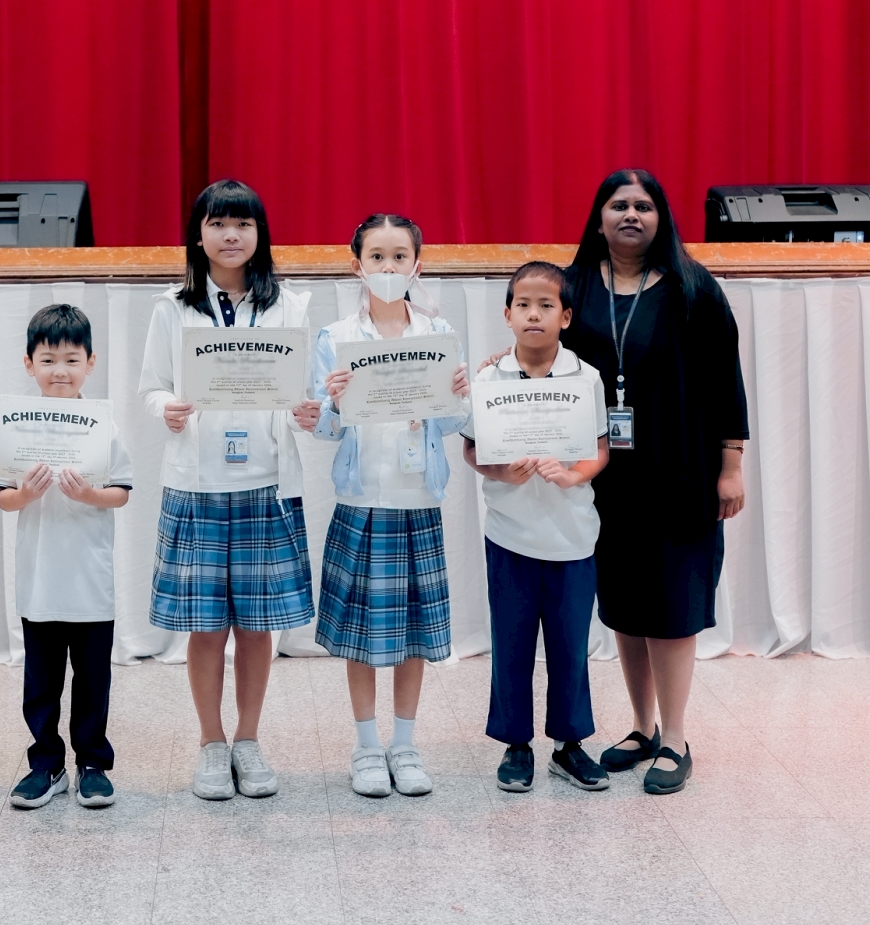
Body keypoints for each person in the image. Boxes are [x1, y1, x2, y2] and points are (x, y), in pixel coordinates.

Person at [563, 170, 747, 795]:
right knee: (625, 604)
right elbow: (543, 358)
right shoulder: (575, 286)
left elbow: (726, 380)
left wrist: (731, 465)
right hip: (605, 477)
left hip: (681, 471)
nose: (631, 215)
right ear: (598, 219)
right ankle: (642, 728)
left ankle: (675, 738)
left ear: (661, 218)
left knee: (672, 606)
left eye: (644, 206)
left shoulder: (694, 288)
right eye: (619, 205)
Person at [140, 179, 322, 801]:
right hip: (196, 484)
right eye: (217, 223)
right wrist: (166, 407)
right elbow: (151, 386)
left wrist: (307, 411)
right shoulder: (173, 307)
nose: (231, 235)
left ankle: (248, 737)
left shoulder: (289, 307)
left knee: (256, 625)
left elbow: (305, 391)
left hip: (267, 483)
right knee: (205, 626)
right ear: (198, 236)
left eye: (243, 223)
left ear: (259, 234)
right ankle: (210, 742)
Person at [310, 214, 469, 798]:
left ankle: (405, 743)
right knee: (360, 633)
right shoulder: (335, 337)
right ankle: (366, 746)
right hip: (361, 500)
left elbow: (451, 424)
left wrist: (457, 397)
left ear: (417, 265)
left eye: (399, 256)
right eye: (376, 257)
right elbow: (323, 428)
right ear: (357, 266)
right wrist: (330, 404)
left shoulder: (437, 333)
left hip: (416, 499)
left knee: (414, 632)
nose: (388, 267)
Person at [460, 262, 612, 794]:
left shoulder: (586, 377)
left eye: (546, 305)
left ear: (565, 317)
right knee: (512, 644)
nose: (533, 314)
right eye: (523, 304)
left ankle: (569, 745)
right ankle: (516, 745)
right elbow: (472, 450)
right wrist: (502, 472)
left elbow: (600, 448)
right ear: (507, 315)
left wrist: (574, 476)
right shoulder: (489, 380)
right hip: (510, 536)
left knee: (571, 647)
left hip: (573, 536)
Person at [0, 305, 135, 810]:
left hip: (90, 579)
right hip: (39, 578)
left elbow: (121, 493)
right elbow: (3, 499)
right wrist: (26, 494)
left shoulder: (103, 425)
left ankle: (92, 764)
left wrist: (89, 495)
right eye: (48, 360)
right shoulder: (15, 427)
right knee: (42, 681)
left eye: (72, 360)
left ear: (91, 363)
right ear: (28, 364)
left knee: (93, 679)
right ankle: (46, 764)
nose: (60, 371)